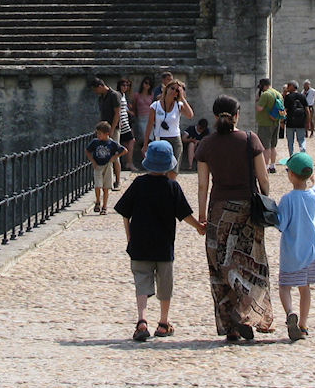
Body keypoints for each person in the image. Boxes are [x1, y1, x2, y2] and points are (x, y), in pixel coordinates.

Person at [196, 94, 274, 342]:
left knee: (221, 264)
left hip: (218, 211)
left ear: (214, 115)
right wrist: (266, 199)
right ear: (237, 115)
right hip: (247, 211)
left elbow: (202, 185)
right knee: (252, 263)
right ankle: (245, 311)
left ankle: (229, 325)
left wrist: (201, 215)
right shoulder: (250, 140)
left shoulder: (206, 144)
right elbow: (263, 179)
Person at [113, 140, 205, 341]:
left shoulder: (138, 184)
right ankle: (163, 323)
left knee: (141, 282)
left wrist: (129, 236)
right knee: (165, 285)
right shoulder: (172, 186)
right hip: (164, 246)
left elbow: (124, 212)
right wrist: (199, 226)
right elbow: (184, 214)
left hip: (139, 244)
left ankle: (142, 320)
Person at [276, 151, 315, 342]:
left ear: (291, 175)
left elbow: (281, 224)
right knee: (305, 289)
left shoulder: (288, 199)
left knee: (284, 286)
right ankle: (303, 325)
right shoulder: (312, 196)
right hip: (310, 252)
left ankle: (290, 312)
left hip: (291, 252)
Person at [146, 78, 194, 163]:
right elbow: (149, 125)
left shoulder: (178, 105)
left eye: (177, 91)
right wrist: (145, 144)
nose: (174, 91)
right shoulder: (155, 106)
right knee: (161, 166)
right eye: (172, 88)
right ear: (167, 88)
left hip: (175, 139)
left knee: (174, 167)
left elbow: (190, 115)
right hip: (160, 138)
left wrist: (182, 98)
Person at [91, 77, 126, 190]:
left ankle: (118, 180)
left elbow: (117, 113)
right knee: (104, 152)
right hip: (104, 129)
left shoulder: (114, 95)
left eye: (96, 89)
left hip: (112, 129)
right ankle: (107, 180)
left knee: (115, 153)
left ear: (100, 86)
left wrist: (112, 129)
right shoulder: (102, 97)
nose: (95, 92)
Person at [86, 121, 127, 214]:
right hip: (98, 165)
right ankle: (97, 201)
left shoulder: (111, 143)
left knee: (106, 188)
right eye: (97, 133)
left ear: (106, 134)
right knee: (97, 185)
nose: (98, 136)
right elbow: (88, 151)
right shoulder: (95, 142)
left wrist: (115, 157)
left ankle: (104, 206)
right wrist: (93, 161)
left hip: (107, 165)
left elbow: (124, 150)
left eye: (100, 134)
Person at [255, 77, 283, 173]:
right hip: (276, 122)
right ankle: (272, 165)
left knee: (265, 146)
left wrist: (257, 100)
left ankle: (265, 167)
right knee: (273, 146)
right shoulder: (278, 94)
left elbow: (259, 108)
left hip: (265, 123)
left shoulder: (265, 95)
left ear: (264, 86)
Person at [131, 76, 155, 168]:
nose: (147, 85)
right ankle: (146, 160)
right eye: (146, 83)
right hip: (141, 118)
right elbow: (134, 107)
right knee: (143, 139)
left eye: (149, 84)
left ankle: (149, 160)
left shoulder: (151, 95)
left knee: (150, 139)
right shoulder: (137, 95)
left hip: (150, 118)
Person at [282, 80, 309, 158]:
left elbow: (284, 110)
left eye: (288, 86)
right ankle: (303, 154)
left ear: (292, 87)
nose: (287, 88)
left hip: (290, 122)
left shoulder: (288, 97)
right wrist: (308, 122)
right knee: (301, 140)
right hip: (301, 122)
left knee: (290, 141)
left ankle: (292, 156)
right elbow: (307, 110)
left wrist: (282, 121)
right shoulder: (302, 96)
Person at [115, 77, 136, 175]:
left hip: (125, 121)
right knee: (130, 141)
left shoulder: (123, 95)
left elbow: (123, 108)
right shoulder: (118, 95)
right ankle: (128, 163)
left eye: (127, 85)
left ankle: (126, 163)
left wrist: (129, 111)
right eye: (123, 85)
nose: (125, 87)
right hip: (122, 122)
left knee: (127, 142)